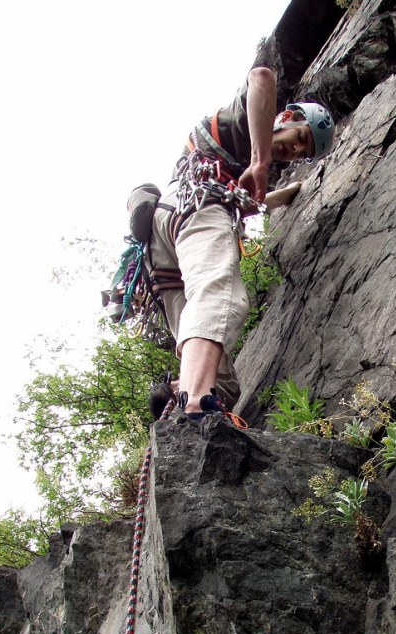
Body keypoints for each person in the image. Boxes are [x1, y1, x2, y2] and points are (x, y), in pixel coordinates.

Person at [148, 67, 335, 422]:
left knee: (225, 384)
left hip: (163, 241)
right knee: (221, 297)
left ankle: (174, 393)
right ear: (288, 116)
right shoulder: (245, 126)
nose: (293, 150)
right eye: (300, 137)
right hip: (197, 205)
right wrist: (261, 161)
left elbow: (250, 203)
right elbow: (262, 77)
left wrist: (281, 194)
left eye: (301, 153)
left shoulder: (240, 169)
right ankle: (195, 405)